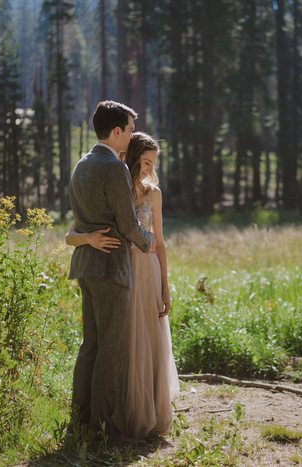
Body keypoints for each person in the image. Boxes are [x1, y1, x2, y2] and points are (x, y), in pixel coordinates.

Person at [67, 132, 178, 440]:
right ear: (132, 157)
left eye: (152, 164)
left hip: (147, 271)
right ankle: (107, 417)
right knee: (118, 342)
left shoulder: (153, 193)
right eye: (144, 162)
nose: (148, 169)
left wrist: (165, 287)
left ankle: (140, 412)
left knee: (145, 342)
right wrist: (89, 238)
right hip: (118, 268)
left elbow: (159, 243)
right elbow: (71, 233)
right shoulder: (114, 185)